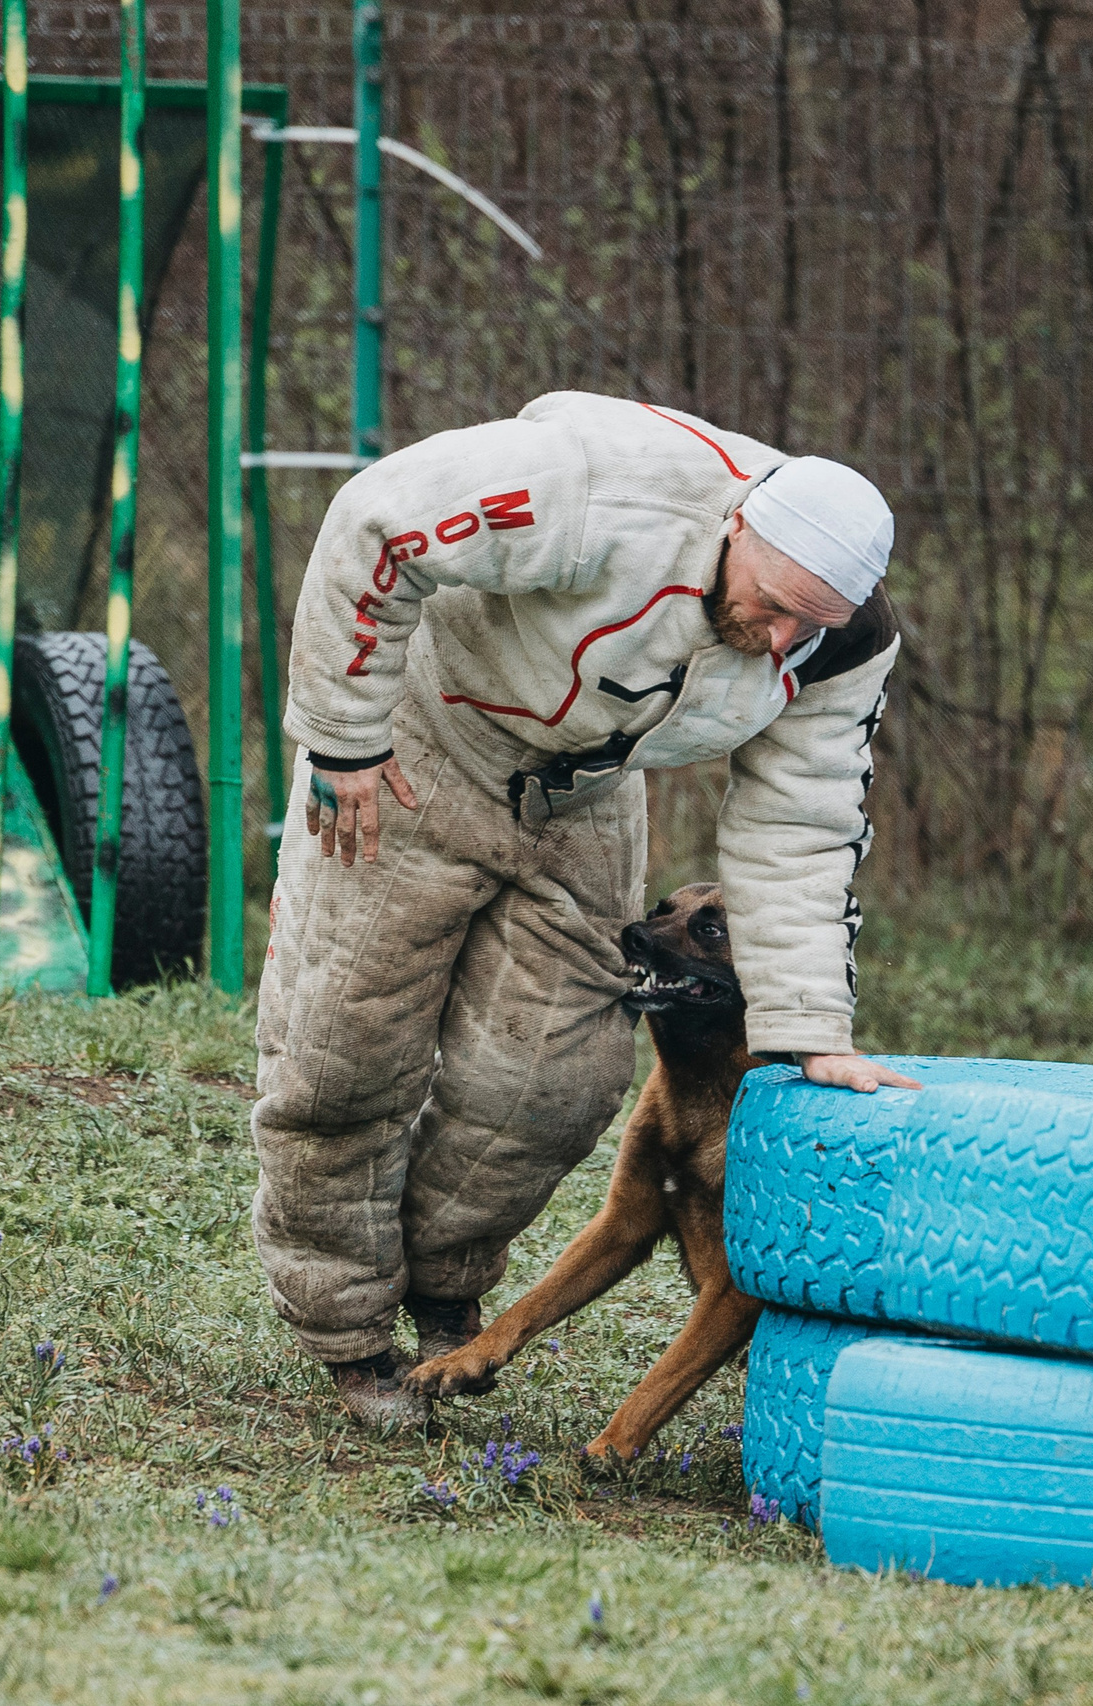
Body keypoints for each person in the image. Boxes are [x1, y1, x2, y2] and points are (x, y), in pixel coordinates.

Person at [254, 390, 921, 1430]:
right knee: (346, 1049)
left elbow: (800, 824)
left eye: (810, 622)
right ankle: (348, 1334)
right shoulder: (596, 489)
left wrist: (806, 1025)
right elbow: (378, 523)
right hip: (427, 743)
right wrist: (346, 737)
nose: (780, 636)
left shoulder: (839, 641)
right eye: (774, 602)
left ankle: (443, 1291)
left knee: (555, 1079)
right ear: (737, 524)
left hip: (587, 790)